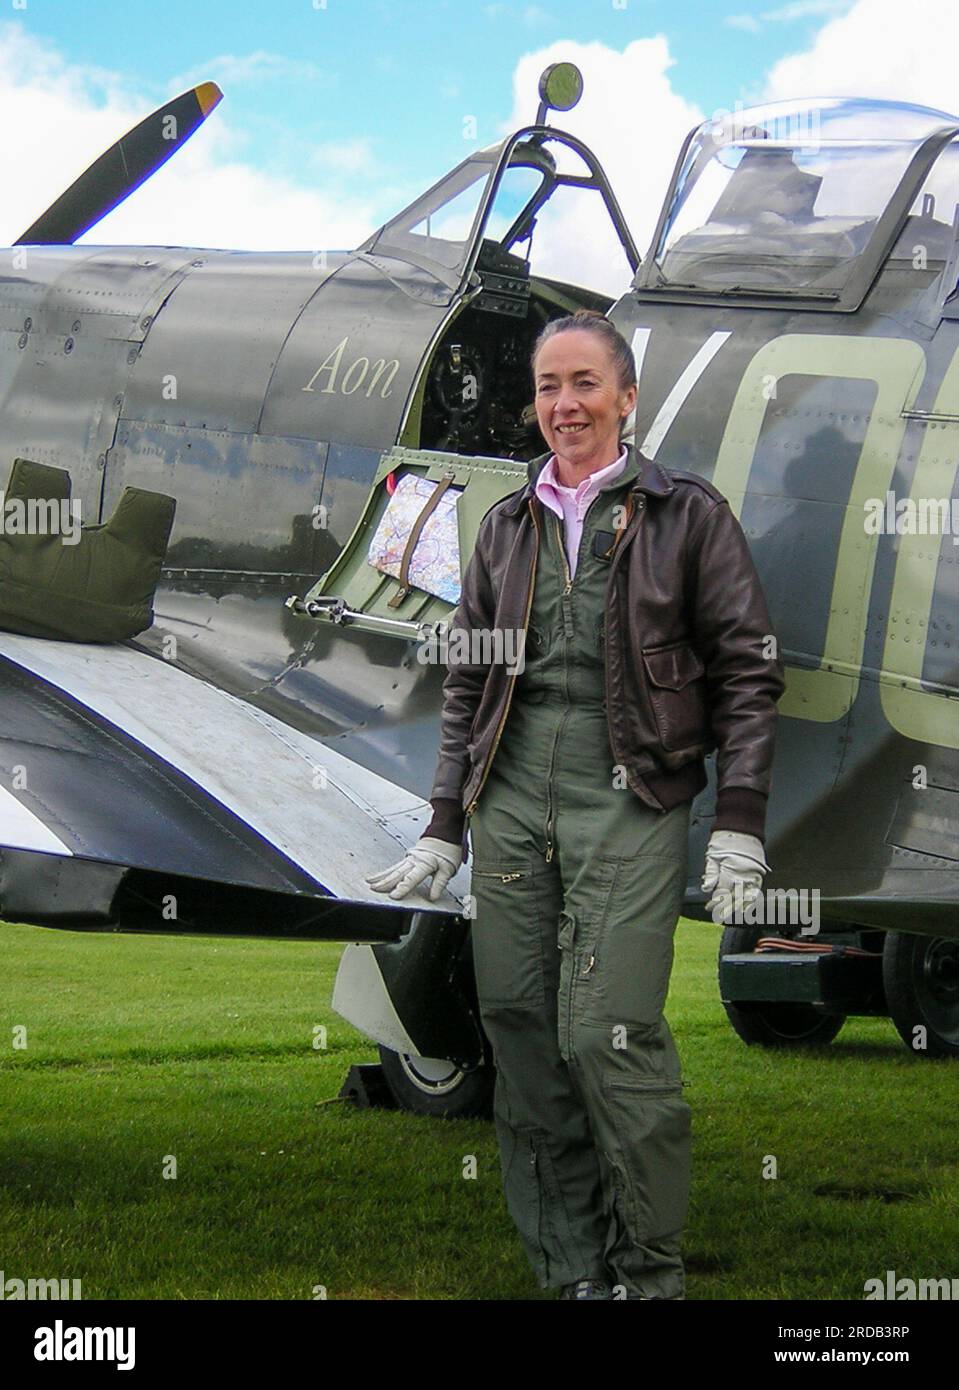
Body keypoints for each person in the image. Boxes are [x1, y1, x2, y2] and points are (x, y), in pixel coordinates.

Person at [367, 309, 785, 1300]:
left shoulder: (690, 516)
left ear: (627, 397)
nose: (566, 404)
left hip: (632, 793)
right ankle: (575, 1276)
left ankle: (650, 1273)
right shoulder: (504, 528)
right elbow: (468, 681)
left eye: (586, 383)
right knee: (519, 1026)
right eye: (550, 386)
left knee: (610, 1034)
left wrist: (740, 819)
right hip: (511, 799)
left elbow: (747, 672)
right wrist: (441, 824)